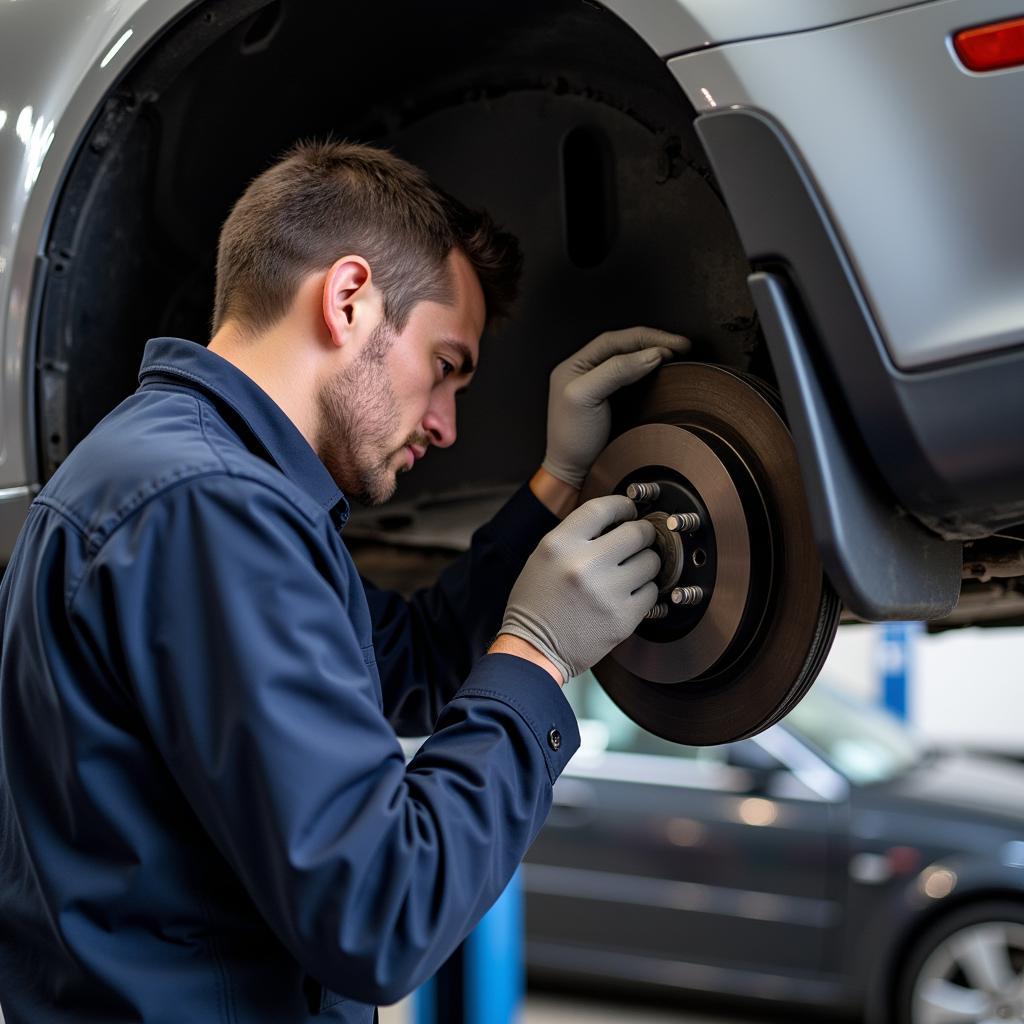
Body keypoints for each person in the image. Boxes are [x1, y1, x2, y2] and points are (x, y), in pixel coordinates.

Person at [0, 141, 688, 1024]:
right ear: (350, 299)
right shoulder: (211, 507)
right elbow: (382, 914)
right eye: (445, 367)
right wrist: (539, 654)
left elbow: (409, 662)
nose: (445, 427)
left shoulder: (184, 477)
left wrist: (556, 480)